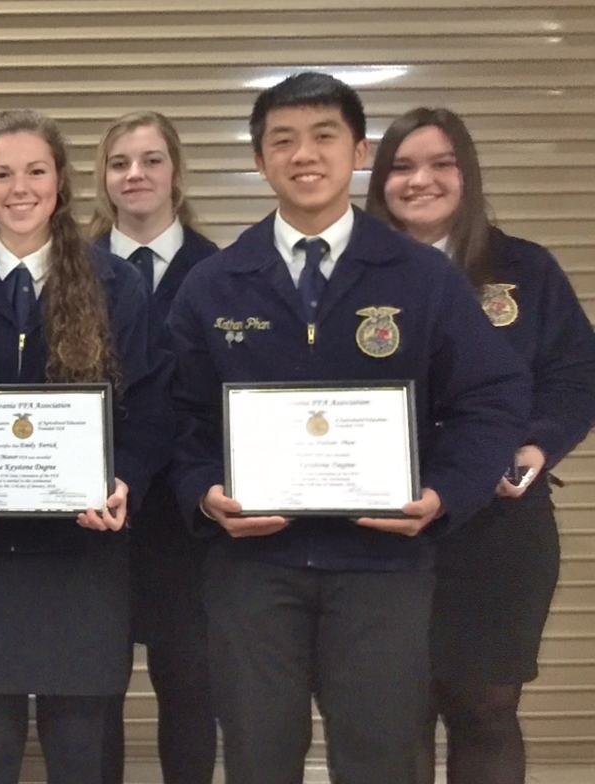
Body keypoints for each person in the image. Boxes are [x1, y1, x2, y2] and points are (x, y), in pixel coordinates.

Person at [166, 72, 529, 784]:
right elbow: (178, 415)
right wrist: (204, 489)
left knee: (380, 761)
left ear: (359, 151)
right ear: (260, 159)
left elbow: (493, 394)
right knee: (257, 758)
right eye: (283, 140)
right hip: (253, 570)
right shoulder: (215, 282)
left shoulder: (420, 277)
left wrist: (445, 492)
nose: (305, 154)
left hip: (382, 568)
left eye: (325, 136)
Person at [0, 109, 163, 784]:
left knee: (79, 752)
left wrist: (125, 480)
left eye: (36, 171)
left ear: (61, 181)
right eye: (3, 173)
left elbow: (152, 408)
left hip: (82, 557)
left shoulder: (115, 285)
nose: (20, 188)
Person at [366, 107, 595, 784]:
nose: (421, 181)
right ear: (380, 182)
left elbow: (575, 375)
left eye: (441, 163)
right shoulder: (351, 275)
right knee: (393, 713)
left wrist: (535, 447)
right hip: (386, 530)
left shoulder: (524, 268)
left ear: (466, 173)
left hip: (498, 530)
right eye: (403, 167)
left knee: (486, 710)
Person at [86, 110, 221, 784]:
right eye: (119, 163)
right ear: (102, 179)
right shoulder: (71, 270)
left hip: (189, 522)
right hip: (91, 513)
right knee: (92, 692)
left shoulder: (223, 272)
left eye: (150, 160)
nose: (135, 174)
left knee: (190, 688)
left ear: (176, 171)